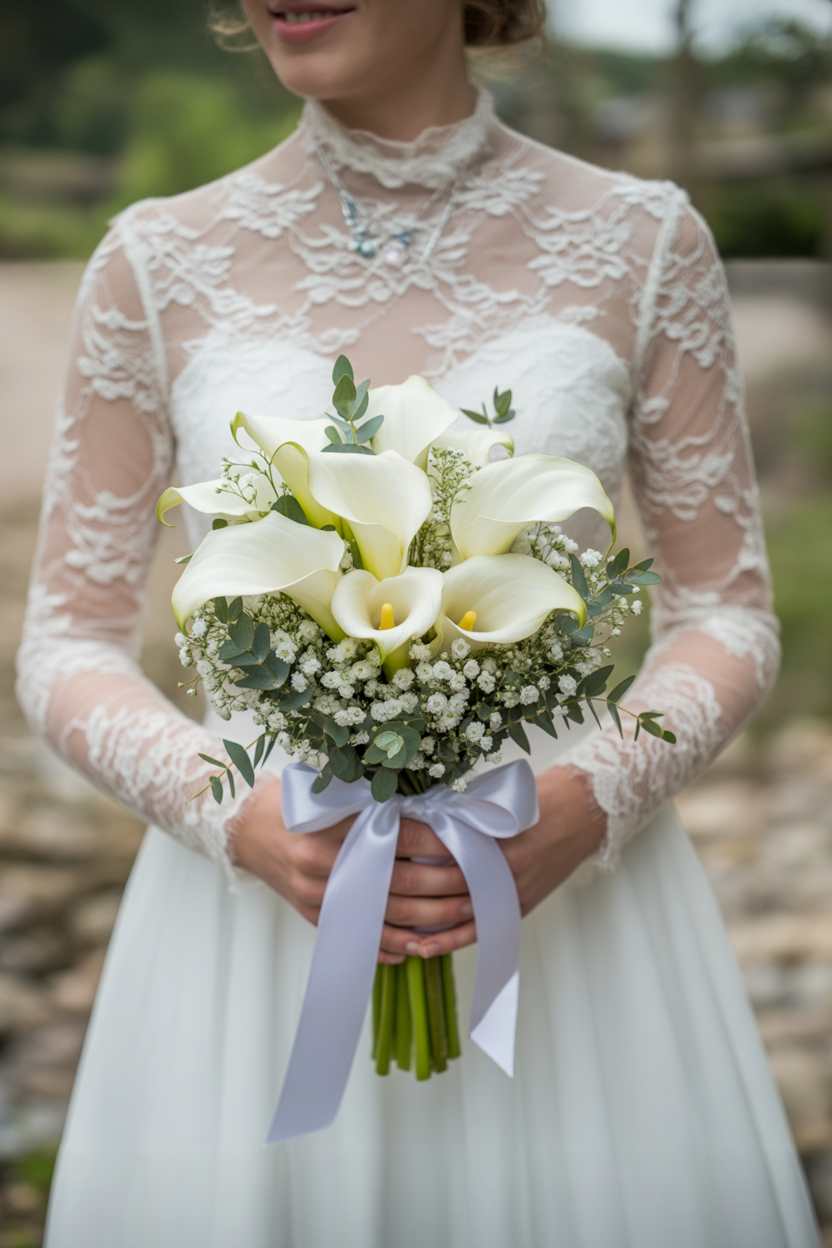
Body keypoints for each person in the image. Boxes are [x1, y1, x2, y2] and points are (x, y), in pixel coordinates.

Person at [17, 1, 821, 1245]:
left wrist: (585, 802)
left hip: (562, 910)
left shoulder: (642, 242)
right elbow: (64, 640)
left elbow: (726, 610)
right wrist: (230, 812)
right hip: (257, 921)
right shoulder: (154, 261)